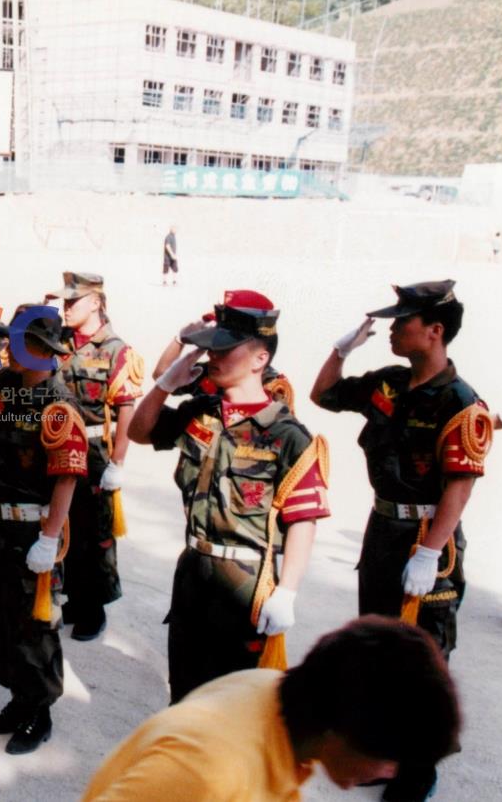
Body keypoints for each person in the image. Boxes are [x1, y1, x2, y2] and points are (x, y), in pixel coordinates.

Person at [310, 280, 491, 802]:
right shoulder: (389, 384)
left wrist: (431, 552)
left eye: (402, 322)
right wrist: (339, 352)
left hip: (427, 538)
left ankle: (416, 772)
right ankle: (383, 756)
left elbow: (460, 486)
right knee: (380, 650)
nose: (392, 328)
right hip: (384, 531)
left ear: (434, 332)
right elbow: (325, 395)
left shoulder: (461, 403)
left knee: (423, 660)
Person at [128, 291, 330, 704]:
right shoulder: (201, 412)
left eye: (226, 348)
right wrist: (166, 385)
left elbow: (303, 520)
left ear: (260, 359)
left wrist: (287, 591)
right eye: (211, 347)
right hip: (194, 569)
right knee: (184, 690)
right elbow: (139, 432)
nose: (213, 356)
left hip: (244, 581)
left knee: (232, 700)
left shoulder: (286, 435)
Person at [81, 616, 461, 801]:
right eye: (390, 758)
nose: (390, 772)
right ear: (338, 729)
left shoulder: (275, 696)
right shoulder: (203, 771)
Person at [0, 307, 87, 754]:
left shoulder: (58, 405)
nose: (8, 347)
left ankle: (40, 711)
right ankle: (18, 699)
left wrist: (50, 537)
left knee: (34, 626)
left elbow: (67, 475)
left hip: (33, 529)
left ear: (39, 348)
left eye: (16, 340)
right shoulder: (8, 388)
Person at [47, 271, 143, 641]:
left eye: (73, 302)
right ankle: (73, 597)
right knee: (63, 524)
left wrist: (117, 463)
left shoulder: (116, 350)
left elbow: (125, 410)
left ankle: (94, 607)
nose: (66, 308)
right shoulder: (59, 341)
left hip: (93, 452)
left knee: (94, 532)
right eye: (64, 302)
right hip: (58, 445)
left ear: (96, 302)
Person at [153, 291, 297, 409]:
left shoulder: (272, 386)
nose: (212, 352)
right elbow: (162, 375)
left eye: (227, 346)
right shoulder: (210, 372)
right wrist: (180, 339)